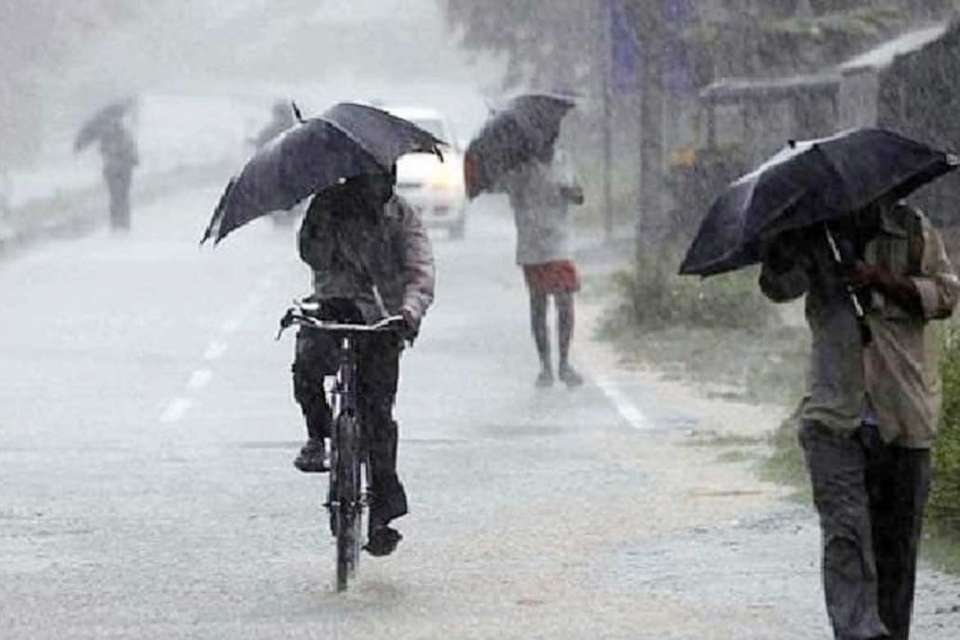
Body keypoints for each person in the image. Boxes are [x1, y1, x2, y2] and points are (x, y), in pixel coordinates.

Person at [759, 199, 959, 640]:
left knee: (896, 552)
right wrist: (778, 245)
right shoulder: (815, 230)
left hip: (904, 412)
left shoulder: (911, 227)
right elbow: (779, 287)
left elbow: (946, 295)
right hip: (834, 415)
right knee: (846, 538)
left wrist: (880, 280)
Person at [292, 170, 435, 557]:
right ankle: (318, 437)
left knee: (379, 420)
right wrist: (326, 223)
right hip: (333, 308)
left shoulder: (401, 217)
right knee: (306, 365)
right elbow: (310, 253)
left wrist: (408, 312)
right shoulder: (328, 203)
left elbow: (421, 272)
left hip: (385, 321)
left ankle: (382, 516)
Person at [500, 135, 585, 388]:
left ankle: (564, 363)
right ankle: (545, 366)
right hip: (532, 244)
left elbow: (580, 195)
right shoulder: (519, 167)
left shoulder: (563, 159)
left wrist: (568, 191)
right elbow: (510, 194)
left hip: (560, 243)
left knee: (565, 302)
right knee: (538, 305)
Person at [99, 118, 138, 231]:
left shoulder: (120, 136)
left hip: (118, 170)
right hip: (120, 170)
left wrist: (115, 151)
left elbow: (104, 151)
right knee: (119, 196)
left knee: (118, 196)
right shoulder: (110, 137)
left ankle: (120, 222)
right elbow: (103, 151)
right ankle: (120, 222)